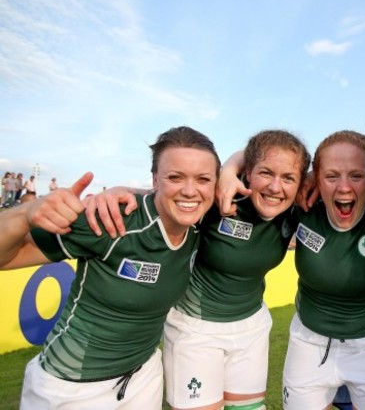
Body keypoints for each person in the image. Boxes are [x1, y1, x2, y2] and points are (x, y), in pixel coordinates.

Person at [86, 129, 311, 410]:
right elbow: (170, 199)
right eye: (265, 173)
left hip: (252, 327)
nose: (276, 187)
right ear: (248, 173)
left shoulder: (295, 210)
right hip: (195, 330)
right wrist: (119, 193)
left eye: (288, 178)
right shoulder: (220, 199)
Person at [0, 126, 220, 409]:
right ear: (155, 179)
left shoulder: (204, 223)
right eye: (175, 177)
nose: (190, 190)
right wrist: (25, 213)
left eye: (203, 179)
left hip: (143, 376)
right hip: (72, 386)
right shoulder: (113, 220)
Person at [282, 131, 365, 409]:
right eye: (331, 176)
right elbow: (255, 169)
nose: (344, 188)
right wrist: (231, 165)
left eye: (356, 176)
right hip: (308, 342)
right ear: (316, 178)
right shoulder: (302, 204)